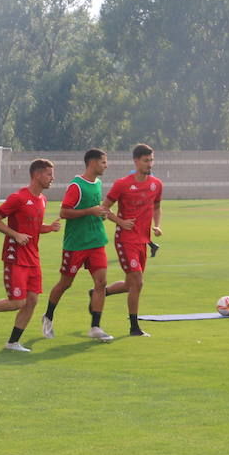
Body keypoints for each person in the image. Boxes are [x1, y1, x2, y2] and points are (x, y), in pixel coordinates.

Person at [0, 159, 61, 351]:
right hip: (15, 257)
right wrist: (15, 234)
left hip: (33, 258)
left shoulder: (42, 199)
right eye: (49, 174)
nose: (52, 178)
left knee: (31, 301)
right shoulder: (18, 197)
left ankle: (13, 342)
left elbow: (35, 228)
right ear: (37, 175)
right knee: (18, 302)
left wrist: (49, 228)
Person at [41, 148, 116, 342]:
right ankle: (48, 316)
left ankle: (95, 327)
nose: (106, 166)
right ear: (92, 163)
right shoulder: (76, 186)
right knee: (66, 283)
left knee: (101, 283)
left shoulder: (98, 183)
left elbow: (96, 208)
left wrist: (101, 214)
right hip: (76, 244)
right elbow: (65, 212)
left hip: (97, 242)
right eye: (103, 162)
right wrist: (90, 211)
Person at [102, 143, 164, 338]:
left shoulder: (156, 184)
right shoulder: (122, 184)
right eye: (146, 160)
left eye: (151, 160)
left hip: (142, 241)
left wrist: (157, 225)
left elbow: (156, 207)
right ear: (136, 161)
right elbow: (103, 209)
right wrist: (120, 221)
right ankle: (134, 327)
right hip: (125, 239)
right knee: (138, 282)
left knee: (131, 284)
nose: (150, 164)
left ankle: (99, 293)